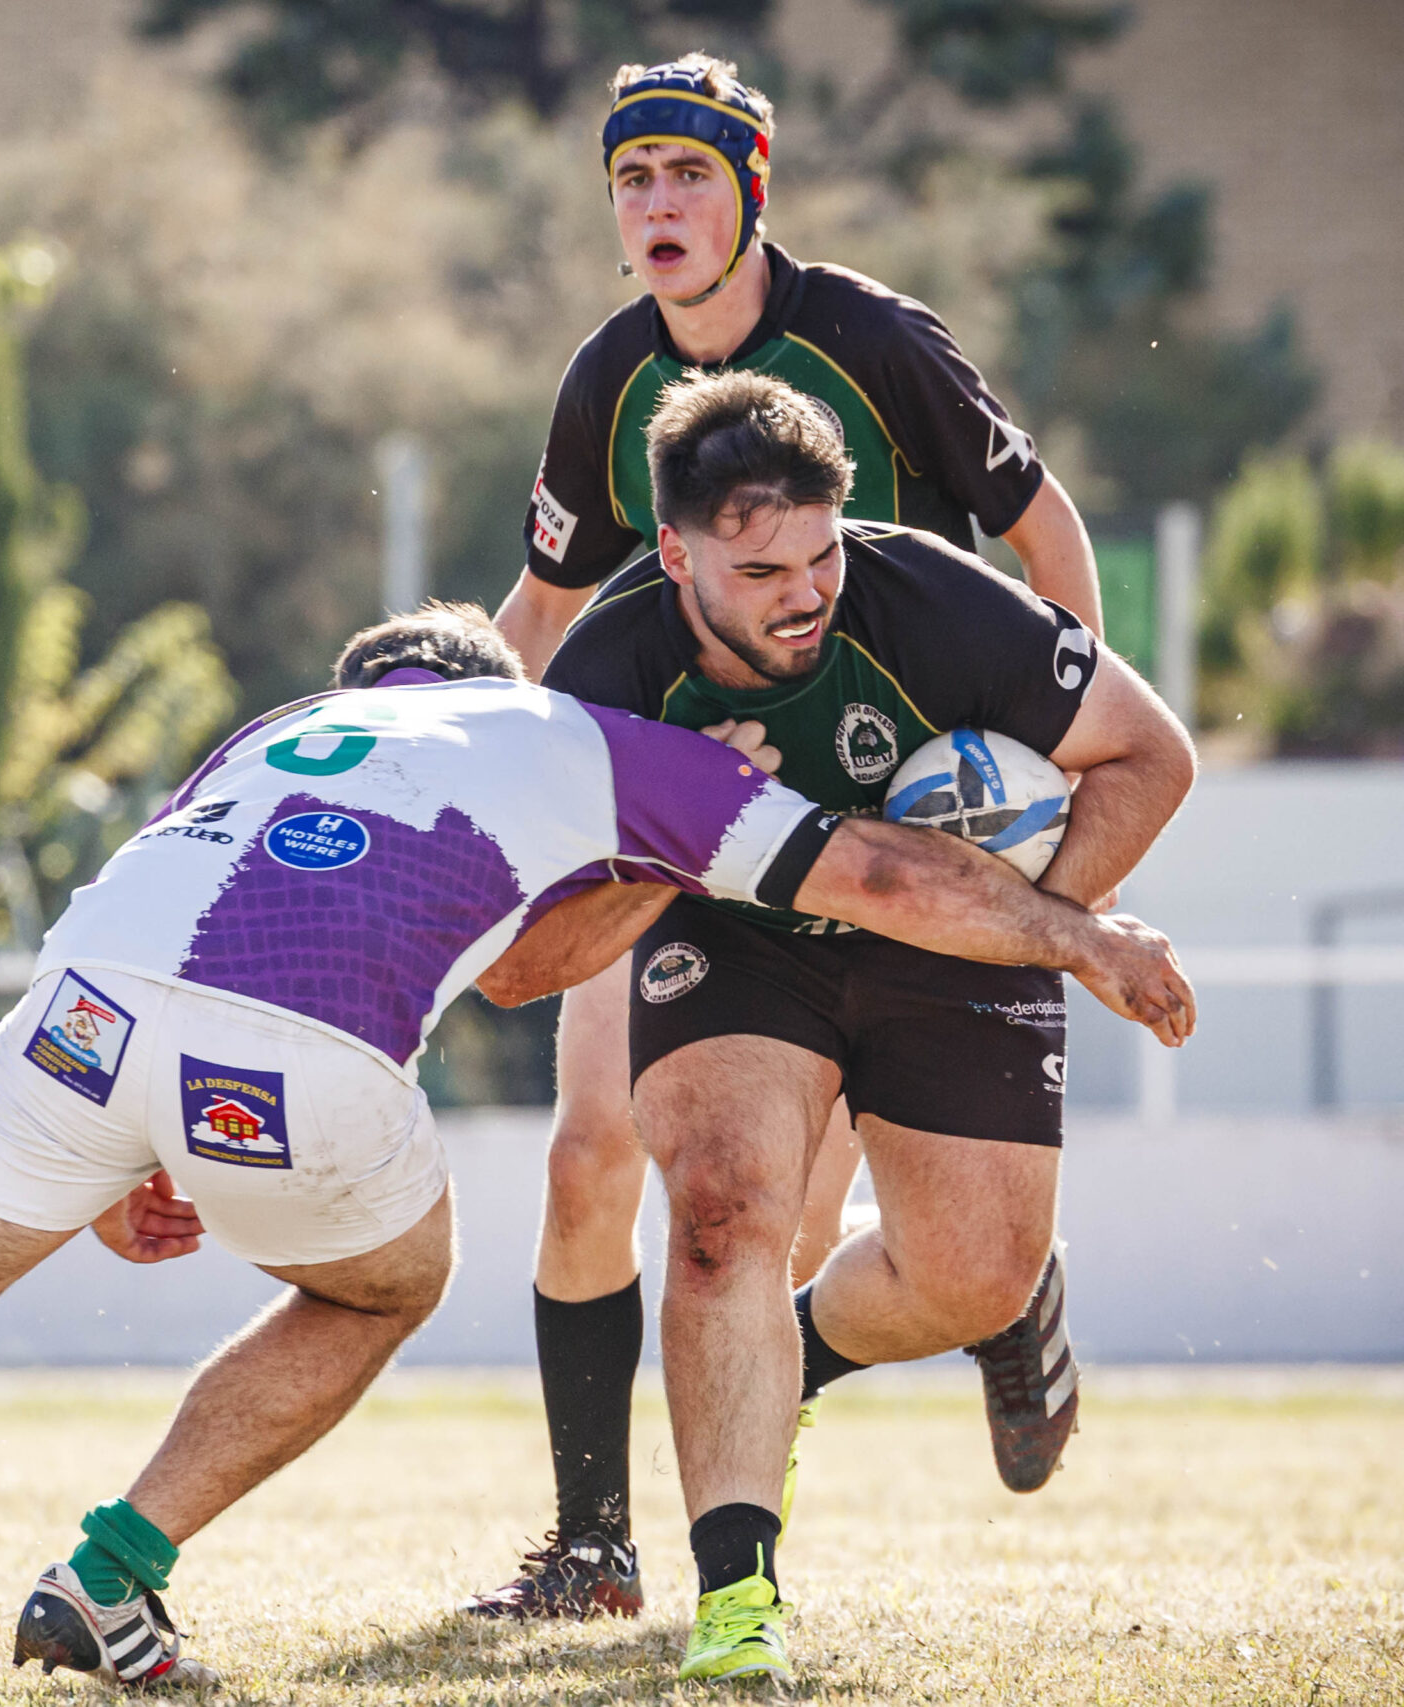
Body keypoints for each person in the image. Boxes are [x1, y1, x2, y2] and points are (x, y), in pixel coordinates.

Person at [0, 603, 1191, 1699]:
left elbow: (379, 931)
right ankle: (115, 1565)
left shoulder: (281, 732)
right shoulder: (582, 732)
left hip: (82, 1017)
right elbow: (883, 878)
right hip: (288, 1061)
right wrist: (1084, 937)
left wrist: (149, 1151)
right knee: (392, 1282)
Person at [465, 51, 1114, 1623]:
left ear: (751, 189)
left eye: (689, 174)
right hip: (707, 816)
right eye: (632, 180)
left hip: (895, 825)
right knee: (586, 1159)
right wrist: (450, 778)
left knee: (802, 1227)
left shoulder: (880, 341)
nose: (659, 204)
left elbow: (1041, 534)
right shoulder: (610, 377)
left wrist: (1047, 767)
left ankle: (953, 1315)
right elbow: (544, 620)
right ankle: (593, 1550)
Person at [515, 370, 1195, 1681]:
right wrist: (678, 837)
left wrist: (1026, 923)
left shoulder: (930, 599)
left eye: (821, 553)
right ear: (674, 554)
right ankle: (735, 1602)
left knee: (976, 1278)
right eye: (763, 568)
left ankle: (797, 1352)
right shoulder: (605, 678)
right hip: (736, 942)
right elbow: (526, 964)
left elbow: (1152, 753)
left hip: (950, 933)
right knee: (721, 1217)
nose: (808, 591)